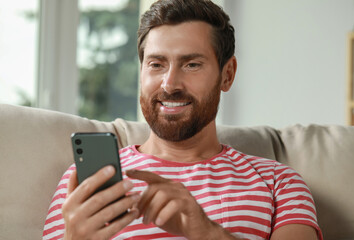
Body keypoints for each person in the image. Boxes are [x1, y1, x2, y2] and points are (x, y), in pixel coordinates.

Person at [43, 0, 323, 239]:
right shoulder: (84, 181)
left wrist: (207, 232)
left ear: (227, 75)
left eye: (191, 64)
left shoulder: (280, 183)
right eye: (156, 64)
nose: (169, 84)